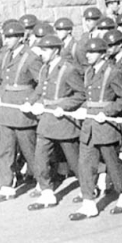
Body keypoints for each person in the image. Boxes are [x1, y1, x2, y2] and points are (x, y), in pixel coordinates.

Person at [71, 32, 122, 220]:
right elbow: (89, 99)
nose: (88, 55)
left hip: (106, 126)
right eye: (87, 52)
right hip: (90, 126)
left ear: (102, 53)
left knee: (114, 165)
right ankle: (88, 203)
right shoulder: (89, 72)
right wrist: (82, 109)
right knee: (85, 165)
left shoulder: (113, 72)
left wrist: (107, 112)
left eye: (92, 52)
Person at [27, 34, 85, 211]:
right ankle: (47, 193)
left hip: (63, 121)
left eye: (44, 50)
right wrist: (30, 102)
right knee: (40, 157)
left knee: (74, 160)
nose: (41, 53)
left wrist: (64, 106)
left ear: (55, 50)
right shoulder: (45, 68)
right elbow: (40, 89)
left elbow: (81, 95)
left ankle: (87, 188)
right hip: (46, 121)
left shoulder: (68, 69)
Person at [0, 20, 41, 203]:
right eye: (6, 36)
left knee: (30, 150)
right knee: (4, 150)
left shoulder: (31, 57)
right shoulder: (4, 55)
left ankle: (42, 183)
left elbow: (41, 84)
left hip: (22, 111)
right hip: (6, 109)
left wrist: (32, 102)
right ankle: (6, 186)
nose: (8, 40)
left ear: (21, 37)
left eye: (12, 36)